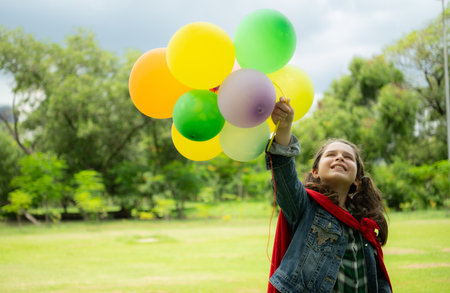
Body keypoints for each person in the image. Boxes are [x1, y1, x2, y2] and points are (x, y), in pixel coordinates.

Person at [266, 97, 392, 293]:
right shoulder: (304, 205)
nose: (340, 157)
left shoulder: (363, 223)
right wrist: (284, 127)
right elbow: (284, 171)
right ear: (315, 171)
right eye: (331, 155)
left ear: (357, 179)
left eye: (348, 157)